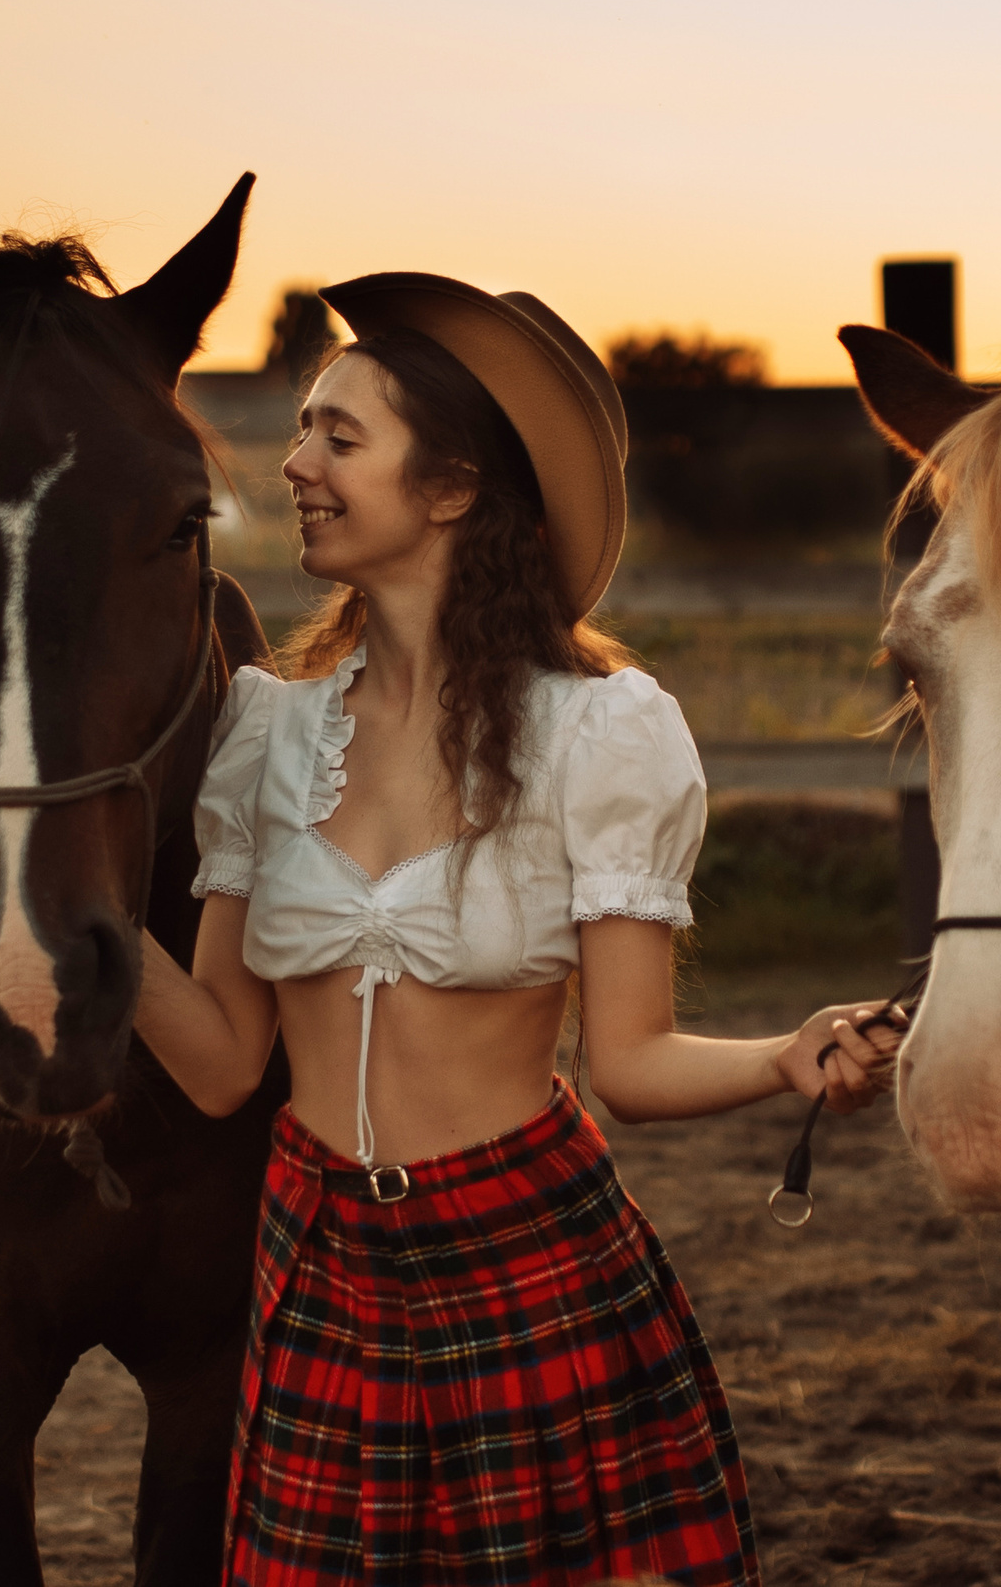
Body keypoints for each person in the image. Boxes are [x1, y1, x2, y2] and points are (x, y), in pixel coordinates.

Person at [133, 272, 902, 1587]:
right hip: (320, 1271)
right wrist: (71, 913)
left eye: (338, 434)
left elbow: (632, 1064)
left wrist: (787, 1051)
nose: (296, 460)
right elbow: (217, 1063)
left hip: (527, 1259)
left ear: (451, 489)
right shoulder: (265, 731)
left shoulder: (600, 737)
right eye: (305, 425)